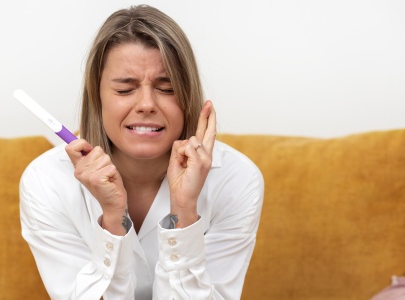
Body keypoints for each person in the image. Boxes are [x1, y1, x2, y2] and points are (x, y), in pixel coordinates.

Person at [19, 5, 264, 300]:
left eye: (167, 88)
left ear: (189, 95)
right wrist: (112, 220)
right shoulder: (46, 181)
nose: (146, 104)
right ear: (97, 99)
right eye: (124, 90)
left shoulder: (237, 179)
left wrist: (185, 211)